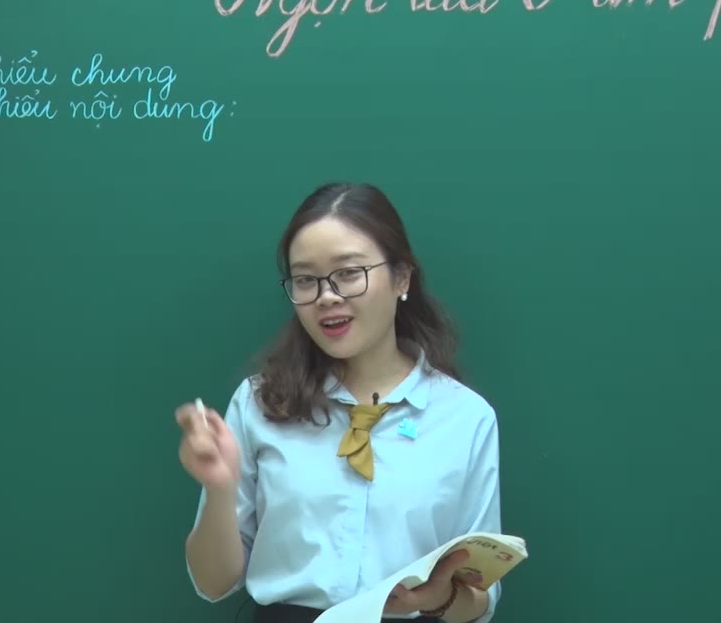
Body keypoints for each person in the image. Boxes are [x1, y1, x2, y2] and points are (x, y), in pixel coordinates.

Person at [175, 182, 504, 623]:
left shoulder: (464, 417)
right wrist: (219, 488)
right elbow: (213, 583)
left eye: (348, 273)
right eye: (305, 280)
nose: (326, 296)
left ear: (402, 278)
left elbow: (480, 599)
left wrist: (437, 599)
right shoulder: (259, 404)